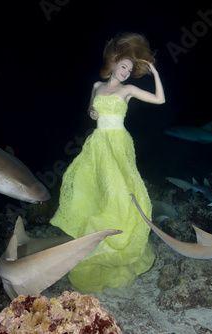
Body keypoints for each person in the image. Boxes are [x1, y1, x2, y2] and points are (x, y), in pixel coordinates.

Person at [50, 32, 166, 293]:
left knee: (120, 194)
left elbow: (160, 100)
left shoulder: (129, 90)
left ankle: (118, 244)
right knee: (94, 192)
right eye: (123, 66)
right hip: (97, 145)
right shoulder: (96, 87)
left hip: (118, 145)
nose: (125, 72)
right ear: (113, 63)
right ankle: (96, 242)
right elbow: (92, 112)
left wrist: (154, 72)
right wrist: (92, 112)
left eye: (130, 69)